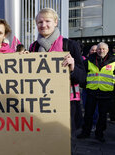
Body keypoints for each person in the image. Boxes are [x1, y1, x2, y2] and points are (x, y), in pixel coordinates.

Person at [28, 8, 86, 136]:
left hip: (66, 103)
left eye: (47, 21)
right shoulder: (33, 47)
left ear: (55, 22)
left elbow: (83, 78)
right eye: (39, 22)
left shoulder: (69, 45)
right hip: (41, 102)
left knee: (63, 142)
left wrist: (73, 68)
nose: (43, 25)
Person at [77, 42, 115, 142]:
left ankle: (99, 134)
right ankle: (85, 132)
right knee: (88, 114)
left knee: (102, 116)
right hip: (91, 91)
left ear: (107, 50)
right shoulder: (90, 60)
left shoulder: (113, 61)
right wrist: (84, 85)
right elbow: (82, 74)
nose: (101, 51)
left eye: (103, 49)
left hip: (106, 92)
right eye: (99, 49)